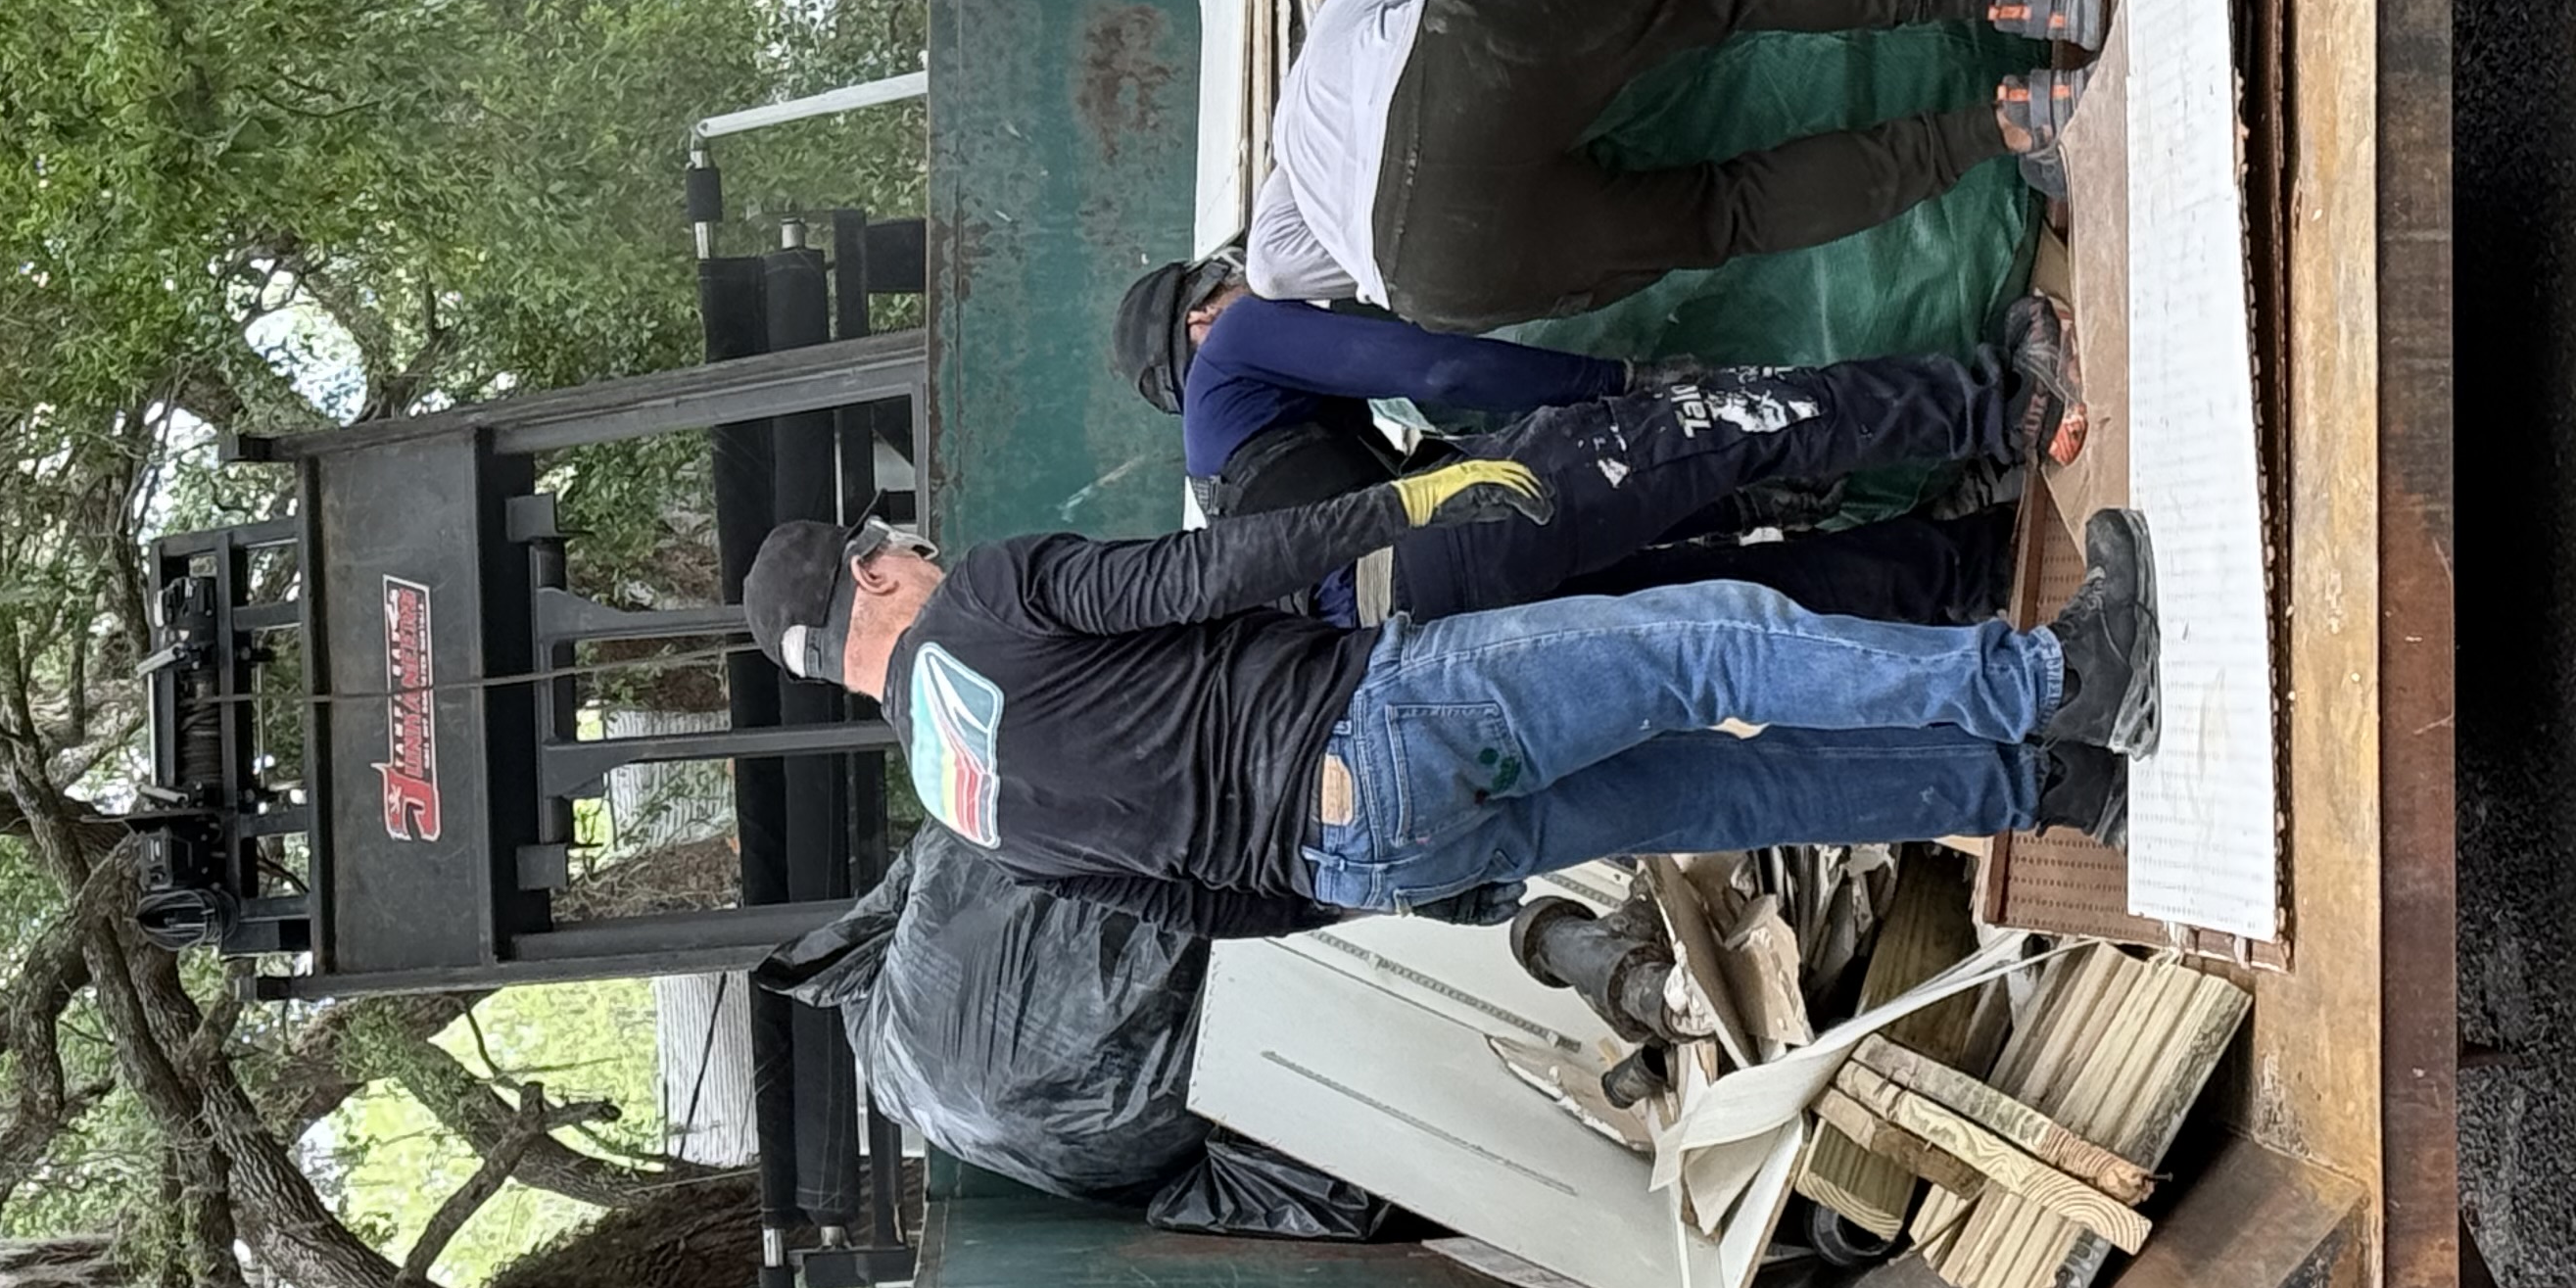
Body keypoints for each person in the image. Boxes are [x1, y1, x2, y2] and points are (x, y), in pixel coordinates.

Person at [740, 476, 2158, 937]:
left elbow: (1199, 914)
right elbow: (1204, 571)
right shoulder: (985, 600)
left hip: (1367, 857)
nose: (920, 550)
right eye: (898, 544)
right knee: (1708, 646)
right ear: (873, 576)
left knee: (1728, 790)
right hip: (1374, 720)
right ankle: (2058, 681)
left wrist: (1366, 887)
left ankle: (2053, 791)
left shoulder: (963, 815)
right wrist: (1399, 503)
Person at [1244, 0, 2109, 333]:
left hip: (1433, 285)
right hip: (1450, 79)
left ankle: (2020, 125)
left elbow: (1277, 272)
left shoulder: (1304, 186)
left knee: (1732, 214)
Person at [1108, 252, 2060, 630]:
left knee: (1722, 598)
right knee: (1729, 420)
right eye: (1230, 274)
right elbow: (1441, 372)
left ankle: (1979, 565)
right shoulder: (1235, 345)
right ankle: (2005, 408)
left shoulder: (1224, 490)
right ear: (1200, 320)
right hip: (1446, 541)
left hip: (1436, 626)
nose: (1257, 282)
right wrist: (1615, 385)